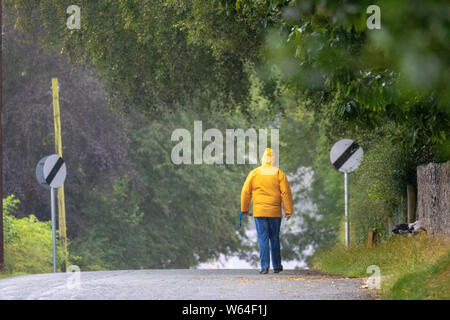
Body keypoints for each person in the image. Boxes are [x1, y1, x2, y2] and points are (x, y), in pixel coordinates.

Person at [241, 148, 293, 274]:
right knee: (274, 238)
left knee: (263, 238)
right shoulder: (278, 173)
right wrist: (288, 210)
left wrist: (245, 209)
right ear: (274, 159)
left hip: (259, 212)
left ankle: (264, 267)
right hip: (274, 212)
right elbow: (285, 192)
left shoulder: (254, 173)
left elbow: (245, 192)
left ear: (262, 159)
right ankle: (276, 266)